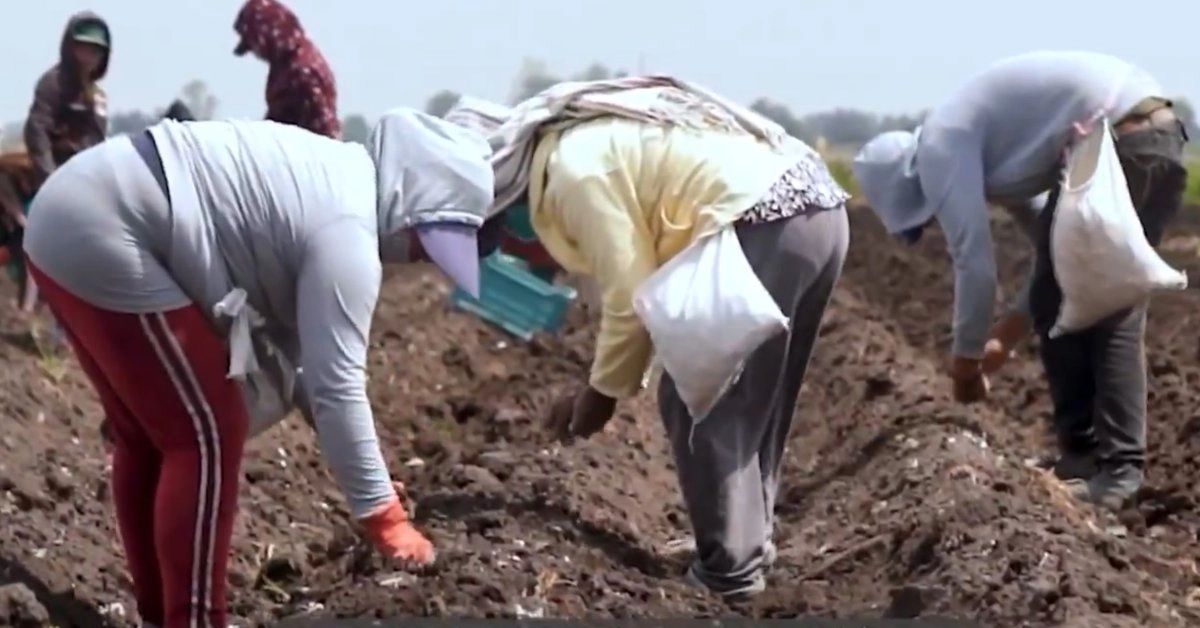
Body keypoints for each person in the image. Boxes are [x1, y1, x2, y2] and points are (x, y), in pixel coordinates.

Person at [22, 109, 497, 627]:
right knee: (206, 433)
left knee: (149, 436)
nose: (422, 258)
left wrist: (376, 483)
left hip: (70, 211)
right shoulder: (348, 232)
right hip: (107, 223)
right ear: (409, 205)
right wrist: (385, 519)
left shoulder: (335, 179)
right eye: (427, 243)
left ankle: (162, 614)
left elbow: (305, 373)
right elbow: (335, 387)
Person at [451, 78, 851, 600]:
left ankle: (729, 573)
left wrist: (600, 397)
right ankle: (749, 545)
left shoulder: (573, 174)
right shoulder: (580, 144)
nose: (515, 240)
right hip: (817, 213)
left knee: (698, 391)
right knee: (757, 402)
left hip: (768, 216)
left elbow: (629, 296)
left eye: (503, 230)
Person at [852, 51, 1188, 510]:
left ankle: (1106, 467)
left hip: (1126, 140)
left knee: (1110, 308)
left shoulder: (940, 148)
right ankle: (1094, 462)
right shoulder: (990, 154)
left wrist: (966, 362)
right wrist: (1003, 341)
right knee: (1089, 294)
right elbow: (1047, 257)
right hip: (1153, 134)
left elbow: (975, 264)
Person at [25, 11, 111, 187]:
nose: (89, 57)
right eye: (83, 48)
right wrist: (51, 179)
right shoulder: (52, 83)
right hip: (51, 174)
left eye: (95, 51)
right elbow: (37, 132)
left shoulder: (98, 96)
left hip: (85, 177)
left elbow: (98, 141)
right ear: (70, 48)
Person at [232, 0, 341, 138]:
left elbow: (322, 131)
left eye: (254, 45)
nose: (256, 54)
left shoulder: (302, 71)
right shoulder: (286, 65)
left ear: (265, 37)